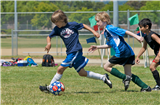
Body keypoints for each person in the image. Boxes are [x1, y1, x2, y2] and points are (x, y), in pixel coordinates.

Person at [39, 10, 112, 93]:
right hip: (71, 52)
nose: (55, 24)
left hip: (75, 51)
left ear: (62, 19)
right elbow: (49, 37)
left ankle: (49, 88)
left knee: (60, 69)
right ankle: (103, 78)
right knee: (82, 73)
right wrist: (49, 43)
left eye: (56, 22)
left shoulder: (72, 25)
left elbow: (83, 25)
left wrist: (94, 32)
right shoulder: (57, 29)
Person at [88, 12, 151, 92]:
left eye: (98, 21)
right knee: (129, 74)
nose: (97, 23)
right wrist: (97, 47)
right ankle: (145, 87)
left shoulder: (109, 28)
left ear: (104, 20)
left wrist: (137, 37)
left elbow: (125, 31)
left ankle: (125, 78)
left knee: (106, 67)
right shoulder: (106, 32)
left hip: (122, 52)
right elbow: (109, 45)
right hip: (129, 52)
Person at [135, 18, 160, 91]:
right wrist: (137, 56)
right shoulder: (146, 37)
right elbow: (144, 48)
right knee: (152, 67)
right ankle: (159, 85)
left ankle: (159, 85)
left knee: (152, 67)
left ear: (147, 27)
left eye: (141, 27)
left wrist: (158, 55)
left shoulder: (153, 35)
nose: (140, 28)